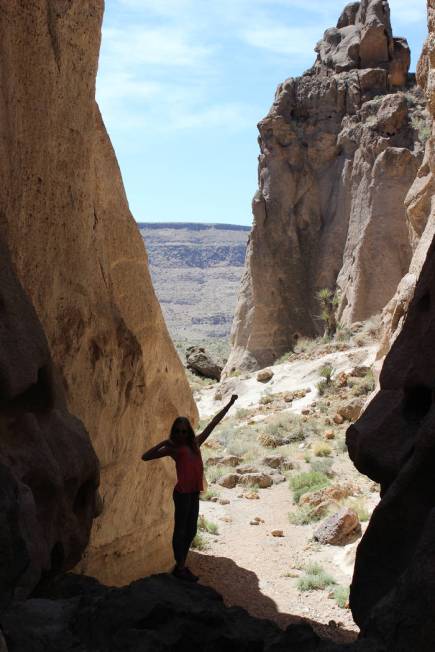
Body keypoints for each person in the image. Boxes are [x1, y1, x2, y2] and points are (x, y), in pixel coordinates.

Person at [141, 394, 238, 581]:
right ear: (174, 432)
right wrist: (163, 442)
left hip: (193, 492)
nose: (180, 434)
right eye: (177, 431)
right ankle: (180, 567)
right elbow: (145, 457)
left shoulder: (196, 444)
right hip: (182, 494)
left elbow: (213, 423)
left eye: (184, 431)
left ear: (189, 432)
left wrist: (230, 404)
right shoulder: (173, 448)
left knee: (191, 530)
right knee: (181, 530)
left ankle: (182, 565)